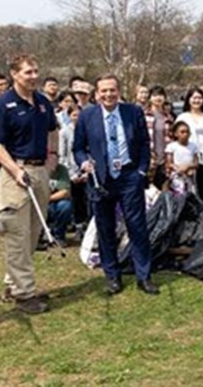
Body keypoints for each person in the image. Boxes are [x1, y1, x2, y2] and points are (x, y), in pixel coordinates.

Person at [74, 74, 158, 295]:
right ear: (96, 94)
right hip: (101, 180)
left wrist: (141, 171)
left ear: (118, 92)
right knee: (105, 229)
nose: (108, 94)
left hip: (130, 177)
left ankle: (144, 276)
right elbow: (78, 148)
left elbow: (143, 144)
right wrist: (83, 162)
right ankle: (112, 276)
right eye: (104, 91)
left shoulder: (133, 112)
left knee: (137, 227)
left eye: (112, 90)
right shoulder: (87, 116)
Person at [0, 55, 59, 314]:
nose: (33, 76)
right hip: (14, 173)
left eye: (36, 71)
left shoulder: (42, 102)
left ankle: (13, 283)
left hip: (40, 171)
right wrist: (15, 170)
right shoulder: (2, 106)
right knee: (17, 233)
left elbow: (53, 129)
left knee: (32, 233)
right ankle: (24, 294)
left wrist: (53, 155)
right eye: (28, 72)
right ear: (14, 74)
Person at [58, 104, 87, 242]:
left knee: (87, 201)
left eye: (79, 114)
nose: (77, 117)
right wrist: (71, 174)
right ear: (69, 116)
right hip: (71, 173)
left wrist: (87, 172)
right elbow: (62, 155)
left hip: (86, 173)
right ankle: (76, 227)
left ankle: (86, 228)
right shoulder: (64, 132)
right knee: (75, 201)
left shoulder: (87, 130)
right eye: (74, 115)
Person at [148, 85, 174, 189]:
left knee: (165, 189)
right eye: (154, 95)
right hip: (150, 159)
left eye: (161, 95)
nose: (158, 98)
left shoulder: (169, 118)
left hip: (165, 159)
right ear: (150, 98)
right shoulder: (143, 115)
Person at [165, 121, 199, 196]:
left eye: (187, 132)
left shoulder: (193, 146)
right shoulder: (172, 146)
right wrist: (178, 168)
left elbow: (196, 163)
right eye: (182, 132)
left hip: (189, 177)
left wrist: (188, 167)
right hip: (177, 177)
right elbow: (169, 163)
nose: (185, 134)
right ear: (176, 134)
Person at [46, 154, 72, 247]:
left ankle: (59, 236)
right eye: (50, 160)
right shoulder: (41, 170)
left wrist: (48, 199)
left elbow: (65, 192)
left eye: (55, 161)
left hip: (57, 201)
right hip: (43, 202)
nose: (53, 163)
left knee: (65, 206)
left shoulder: (62, 170)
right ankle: (43, 236)